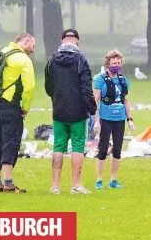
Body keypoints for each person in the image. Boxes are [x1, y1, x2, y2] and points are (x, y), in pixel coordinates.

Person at [45, 29, 97, 194]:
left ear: (62, 41)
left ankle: (55, 185)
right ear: (77, 41)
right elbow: (86, 88)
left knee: (58, 146)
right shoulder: (81, 60)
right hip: (78, 111)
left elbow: (48, 86)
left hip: (59, 109)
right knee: (77, 147)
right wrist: (92, 109)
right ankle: (75, 185)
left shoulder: (52, 60)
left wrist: (56, 97)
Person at [0, 33, 35, 193]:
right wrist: (25, 108)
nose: (33, 50)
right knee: (10, 141)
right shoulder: (23, 59)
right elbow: (29, 88)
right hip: (10, 104)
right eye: (32, 46)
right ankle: (9, 183)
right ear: (25, 41)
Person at [94, 49, 135, 189]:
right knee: (103, 149)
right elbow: (96, 101)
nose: (116, 65)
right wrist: (96, 121)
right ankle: (99, 179)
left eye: (119, 62)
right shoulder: (101, 80)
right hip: (105, 119)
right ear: (108, 64)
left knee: (117, 150)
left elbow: (126, 100)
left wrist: (129, 119)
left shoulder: (123, 80)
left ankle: (113, 180)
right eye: (114, 62)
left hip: (120, 119)